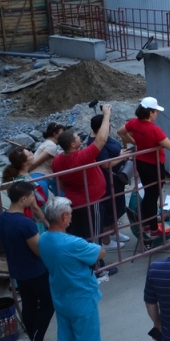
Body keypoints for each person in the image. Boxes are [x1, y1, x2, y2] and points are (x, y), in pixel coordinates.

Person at [38, 197, 105, 341]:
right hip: (82, 301)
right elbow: (100, 252)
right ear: (64, 217)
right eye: (70, 214)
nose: (71, 217)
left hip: (61, 300)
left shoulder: (43, 239)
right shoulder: (73, 244)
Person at [0, 182, 57, 341]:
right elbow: (38, 250)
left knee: (29, 306)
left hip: (18, 270)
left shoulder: (1, 219)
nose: (33, 199)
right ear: (23, 199)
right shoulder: (25, 223)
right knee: (48, 304)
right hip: (35, 271)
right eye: (31, 196)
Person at [117, 97, 170, 236]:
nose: (157, 113)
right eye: (156, 111)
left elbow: (120, 132)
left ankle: (147, 223)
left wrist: (135, 142)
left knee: (149, 192)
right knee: (152, 196)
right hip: (154, 165)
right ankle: (154, 228)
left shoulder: (134, 123)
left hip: (141, 162)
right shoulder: (154, 129)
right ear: (150, 112)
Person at [52, 104, 113, 243]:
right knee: (94, 236)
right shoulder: (81, 157)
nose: (80, 138)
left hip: (73, 202)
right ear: (73, 145)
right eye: (77, 137)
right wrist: (106, 115)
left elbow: (60, 183)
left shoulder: (57, 160)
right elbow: (101, 140)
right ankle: (96, 257)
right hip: (91, 201)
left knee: (80, 236)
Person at [86, 114, 132, 251]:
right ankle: (106, 240)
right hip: (107, 180)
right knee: (109, 210)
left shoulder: (104, 137)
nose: (110, 126)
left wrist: (121, 153)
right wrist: (121, 156)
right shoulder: (96, 142)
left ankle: (114, 233)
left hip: (117, 179)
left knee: (116, 206)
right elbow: (105, 164)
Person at [2, 147, 49, 229]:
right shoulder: (25, 181)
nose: (32, 153)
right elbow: (34, 207)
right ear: (24, 163)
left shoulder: (19, 177)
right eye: (29, 154)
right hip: (33, 219)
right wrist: (47, 224)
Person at [30, 121, 65, 195]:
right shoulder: (51, 146)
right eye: (62, 134)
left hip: (40, 176)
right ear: (55, 134)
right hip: (39, 178)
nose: (64, 136)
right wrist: (23, 173)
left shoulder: (46, 143)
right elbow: (35, 163)